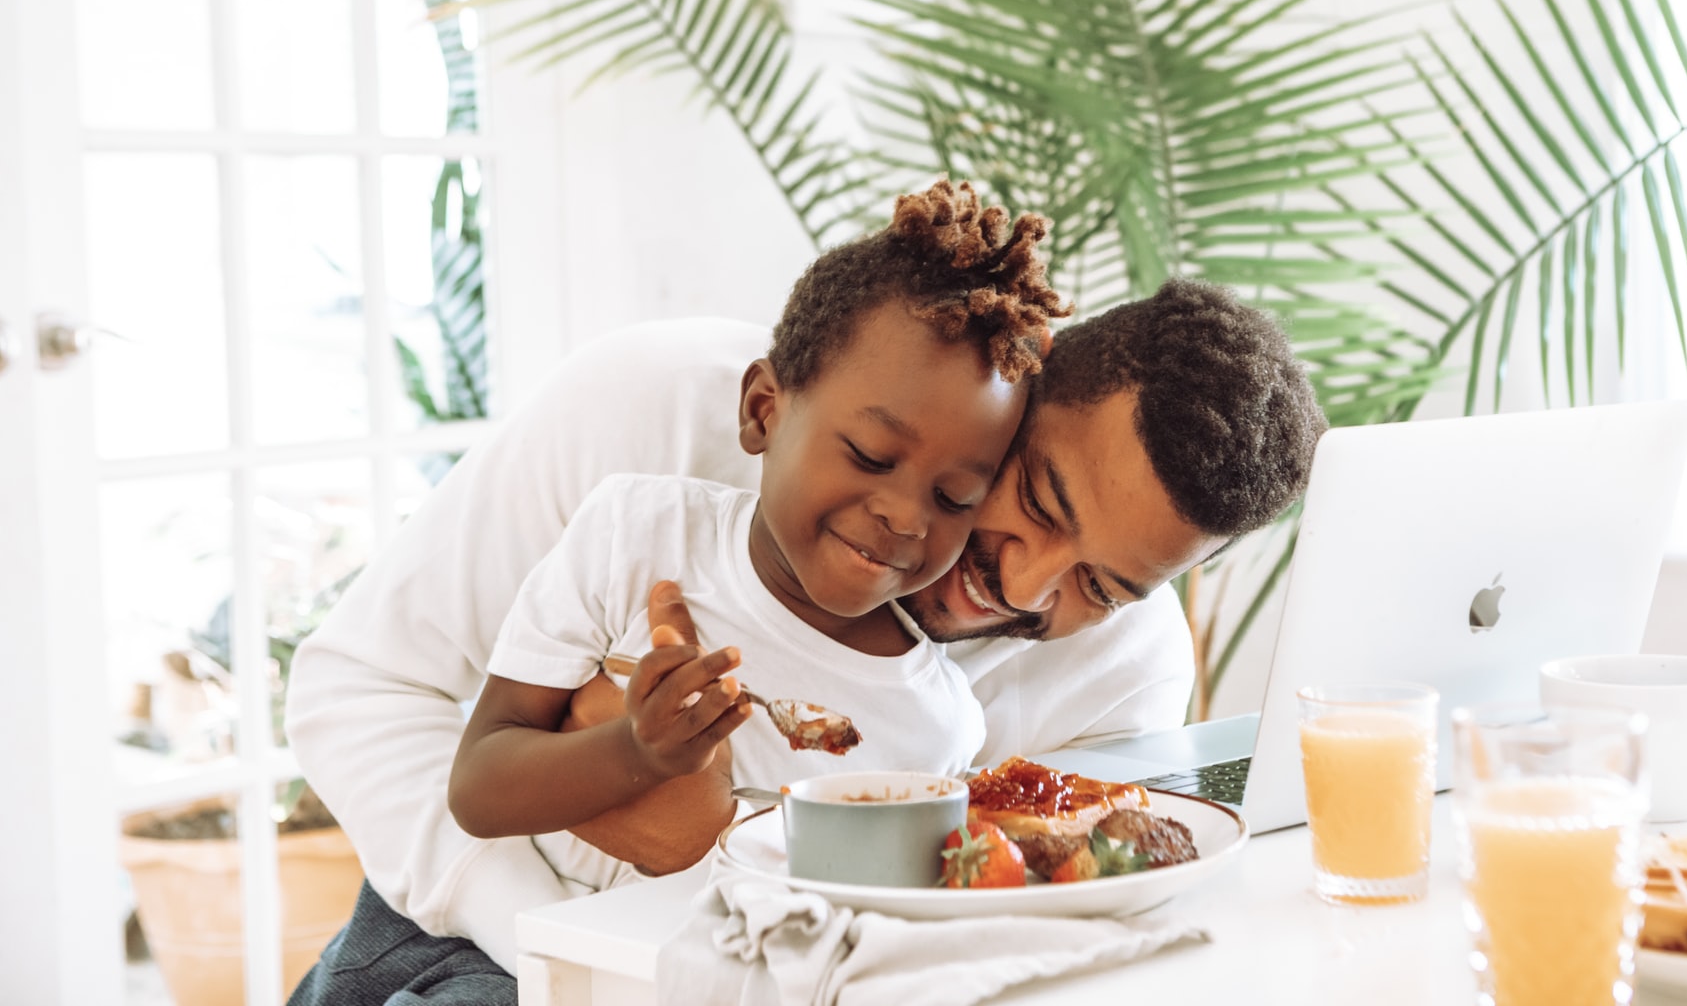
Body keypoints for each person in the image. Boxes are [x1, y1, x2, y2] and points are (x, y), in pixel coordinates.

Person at [286, 274, 1324, 1005]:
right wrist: (571, 957)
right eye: (1041, 497)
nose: (1026, 580)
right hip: (465, 935)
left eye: (1101, 582)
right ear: (1025, 379)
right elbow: (358, 686)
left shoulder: (1127, 671)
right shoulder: (658, 420)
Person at [444, 180, 1064, 893]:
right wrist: (638, 749)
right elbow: (477, 787)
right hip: (501, 953)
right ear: (763, 410)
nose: (905, 516)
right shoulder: (639, 535)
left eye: (955, 496)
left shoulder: (934, 726)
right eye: (869, 455)